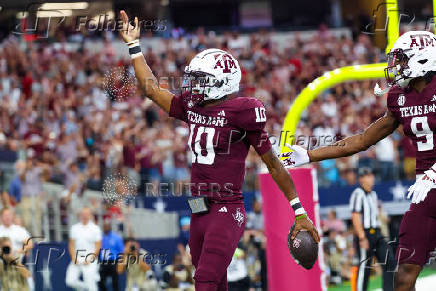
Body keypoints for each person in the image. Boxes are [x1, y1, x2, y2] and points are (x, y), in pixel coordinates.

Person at [119, 11, 320, 291]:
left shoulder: (243, 112)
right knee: (213, 284)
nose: (194, 86)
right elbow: (152, 90)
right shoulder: (193, 106)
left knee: (205, 281)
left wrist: (299, 211)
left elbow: (273, 164)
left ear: (223, 82)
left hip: (226, 209)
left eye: (201, 80)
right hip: (198, 210)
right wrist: (134, 47)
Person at [280, 31, 436, 291]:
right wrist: (309, 154)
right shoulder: (399, 97)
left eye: (402, 60)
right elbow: (363, 139)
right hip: (426, 192)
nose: (395, 67)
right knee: (404, 273)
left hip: (430, 179)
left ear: (423, 60)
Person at [350, 168, 396, 291]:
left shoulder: (373, 195)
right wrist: (361, 237)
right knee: (365, 265)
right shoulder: (358, 193)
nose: (371, 178)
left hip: (377, 232)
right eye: (368, 176)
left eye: (372, 175)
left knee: (389, 261)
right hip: (365, 233)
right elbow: (355, 216)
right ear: (361, 179)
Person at [66, 207, 102, 291]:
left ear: (90, 215)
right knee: (70, 281)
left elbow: (98, 246)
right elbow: (71, 244)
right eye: (83, 214)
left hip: (90, 259)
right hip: (77, 258)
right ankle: (86, 288)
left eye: (87, 214)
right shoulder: (74, 228)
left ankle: (90, 288)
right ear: (80, 215)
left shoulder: (95, 228)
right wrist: (73, 258)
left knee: (90, 282)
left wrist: (90, 259)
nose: (85, 216)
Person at [99, 221, 124, 291]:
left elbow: (121, 251)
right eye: (104, 226)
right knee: (100, 280)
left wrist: (120, 263)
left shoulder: (116, 238)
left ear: (110, 227)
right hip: (103, 262)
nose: (105, 228)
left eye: (107, 226)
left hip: (113, 261)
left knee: (115, 282)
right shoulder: (100, 237)